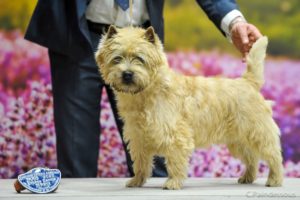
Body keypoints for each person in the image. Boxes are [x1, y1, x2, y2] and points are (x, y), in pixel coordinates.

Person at [25, 0, 262, 178]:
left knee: (158, 158)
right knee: (75, 161)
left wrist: (234, 21)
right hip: (77, 37)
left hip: (143, 42)